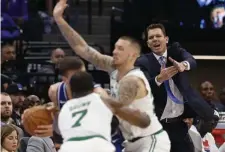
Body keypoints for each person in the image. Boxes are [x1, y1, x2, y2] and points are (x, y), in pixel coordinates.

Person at [53, 1, 171, 151]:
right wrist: (59, 19)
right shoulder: (112, 67)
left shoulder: (132, 80)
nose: (114, 51)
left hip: (150, 139)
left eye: (120, 49)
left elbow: (116, 110)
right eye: (115, 47)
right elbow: (82, 48)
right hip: (129, 142)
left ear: (133, 55)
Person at [135, 23, 215, 152]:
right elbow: (142, 87)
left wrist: (183, 65)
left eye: (158, 36)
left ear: (166, 39)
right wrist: (159, 79)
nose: (154, 39)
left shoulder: (176, 51)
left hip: (179, 124)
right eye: (151, 38)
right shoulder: (142, 62)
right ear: (148, 43)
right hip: (158, 127)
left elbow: (191, 61)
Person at [58, 71, 152, 152]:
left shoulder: (65, 107)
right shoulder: (102, 100)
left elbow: (58, 136)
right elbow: (143, 122)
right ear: (93, 88)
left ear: (70, 89)